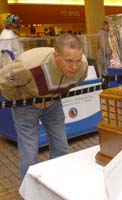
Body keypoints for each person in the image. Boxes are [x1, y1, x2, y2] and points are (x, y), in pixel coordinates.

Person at [0, 33, 88, 181]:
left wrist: (55, 93)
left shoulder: (82, 65)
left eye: (77, 61)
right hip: (26, 106)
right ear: (56, 56)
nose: (74, 67)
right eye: (69, 61)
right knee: (29, 152)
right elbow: (4, 81)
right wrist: (19, 99)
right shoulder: (29, 65)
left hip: (54, 104)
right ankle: (29, 192)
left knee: (61, 146)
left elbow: (77, 80)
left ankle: (60, 183)